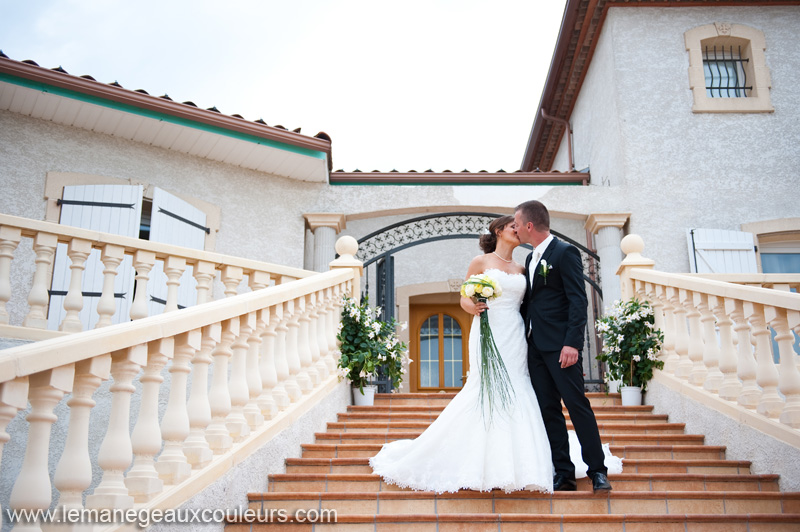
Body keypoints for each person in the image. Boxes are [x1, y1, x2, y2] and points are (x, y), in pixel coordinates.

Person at [369, 215, 621, 493]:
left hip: (516, 334)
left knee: (522, 390)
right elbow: (464, 295)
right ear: (499, 231)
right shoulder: (481, 262)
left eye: (518, 225)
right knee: (487, 389)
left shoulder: (525, 266)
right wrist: (471, 308)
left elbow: (537, 302)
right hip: (487, 329)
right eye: (511, 226)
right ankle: (489, 461)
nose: (516, 229)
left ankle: (555, 464)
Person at [514, 199, 613, 492]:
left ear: (529, 225)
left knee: (577, 405)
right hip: (535, 348)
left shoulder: (565, 252)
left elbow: (578, 300)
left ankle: (597, 470)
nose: (515, 229)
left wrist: (572, 343)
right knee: (548, 410)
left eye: (517, 224)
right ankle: (563, 472)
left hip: (561, 348)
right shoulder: (531, 260)